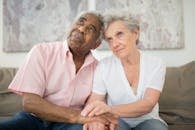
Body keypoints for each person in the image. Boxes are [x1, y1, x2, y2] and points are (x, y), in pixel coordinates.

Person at [0, 11, 118, 130]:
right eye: (80, 22)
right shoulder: (41, 52)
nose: (81, 29)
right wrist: (75, 116)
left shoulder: (98, 68)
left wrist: (96, 121)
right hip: (34, 119)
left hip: (70, 125)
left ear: (96, 44)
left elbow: (93, 107)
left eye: (90, 29)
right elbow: (30, 103)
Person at [81, 12, 168, 130]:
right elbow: (95, 100)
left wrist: (109, 109)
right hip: (116, 120)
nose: (115, 44)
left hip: (149, 120)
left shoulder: (156, 63)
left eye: (119, 34)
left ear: (135, 33)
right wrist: (93, 120)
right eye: (110, 39)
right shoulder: (104, 66)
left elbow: (148, 104)